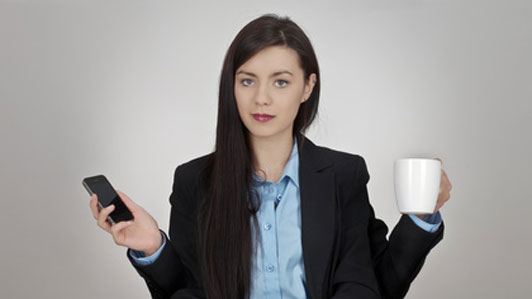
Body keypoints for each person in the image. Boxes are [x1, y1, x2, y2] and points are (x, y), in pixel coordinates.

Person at [89, 14, 452, 299]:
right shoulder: (194, 181)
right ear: (231, 86)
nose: (261, 98)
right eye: (247, 80)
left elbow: (369, 284)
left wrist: (421, 217)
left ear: (307, 86)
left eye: (280, 81)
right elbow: (189, 290)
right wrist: (153, 247)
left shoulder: (344, 174)